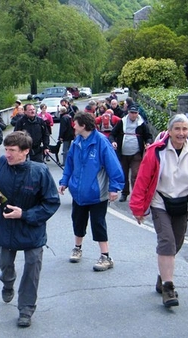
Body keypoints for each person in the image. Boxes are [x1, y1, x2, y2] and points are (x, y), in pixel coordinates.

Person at [129, 114, 188, 308]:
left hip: (183, 204)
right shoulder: (156, 151)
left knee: (176, 243)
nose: (181, 133)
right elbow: (142, 180)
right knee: (167, 241)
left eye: (184, 129)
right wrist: (138, 208)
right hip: (160, 202)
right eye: (177, 129)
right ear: (169, 131)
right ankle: (169, 288)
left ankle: (163, 276)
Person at [0, 131, 60, 328]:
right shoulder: (0, 165)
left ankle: (26, 309)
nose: (7, 154)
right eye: (5, 149)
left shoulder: (40, 172)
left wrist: (24, 214)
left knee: (32, 266)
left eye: (12, 150)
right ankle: (8, 282)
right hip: (4, 227)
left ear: (26, 151)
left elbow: (51, 202)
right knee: (5, 263)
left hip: (31, 229)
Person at [58, 112, 125, 271]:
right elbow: (70, 165)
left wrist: (114, 188)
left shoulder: (101, 142)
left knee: (98, 223)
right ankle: (77, 248)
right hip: (79, 193)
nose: (73, 125)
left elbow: (113, 166)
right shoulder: (77, 142)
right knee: (78, 220)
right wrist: (64, 182)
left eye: (75, 123)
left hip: (97, 193)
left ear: (83, 125)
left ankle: (105, 256)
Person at [109, 104, 153, 202]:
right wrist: (113, 142)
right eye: (131, 113)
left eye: (135, 113)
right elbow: (112, 134)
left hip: (136, 153)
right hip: (123, 153)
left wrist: (148, 143)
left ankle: (136, 194)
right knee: (124, 174)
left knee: (135, 174)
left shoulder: (142, 124)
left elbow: (148, 136)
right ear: (128, 113)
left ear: (138, 113)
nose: (133, 115)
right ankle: (124, 193)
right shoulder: (122, 122)